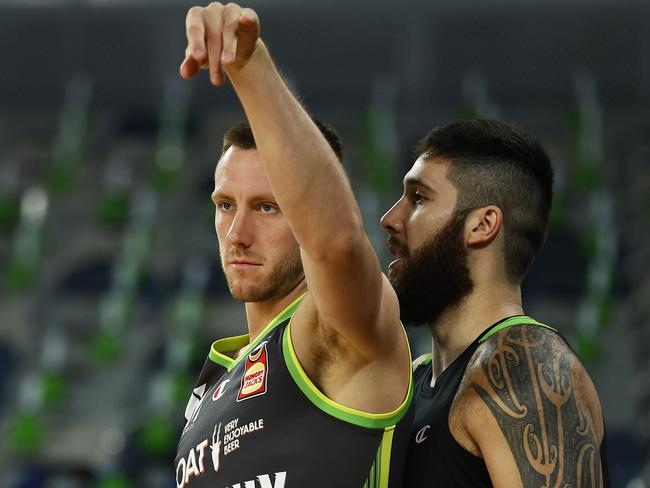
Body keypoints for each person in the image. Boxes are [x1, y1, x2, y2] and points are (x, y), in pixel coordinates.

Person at [174, 3, 411, 488]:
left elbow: (338, 243)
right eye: (225, 205)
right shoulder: (215, 384)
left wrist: (249, 65)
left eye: (267, 207)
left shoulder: (333, 331)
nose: (237, 232)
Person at [381, 119, 609, 487]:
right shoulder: (415, 381)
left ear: (482, 225)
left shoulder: (528, 366)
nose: (389, 219)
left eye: (419, 198)